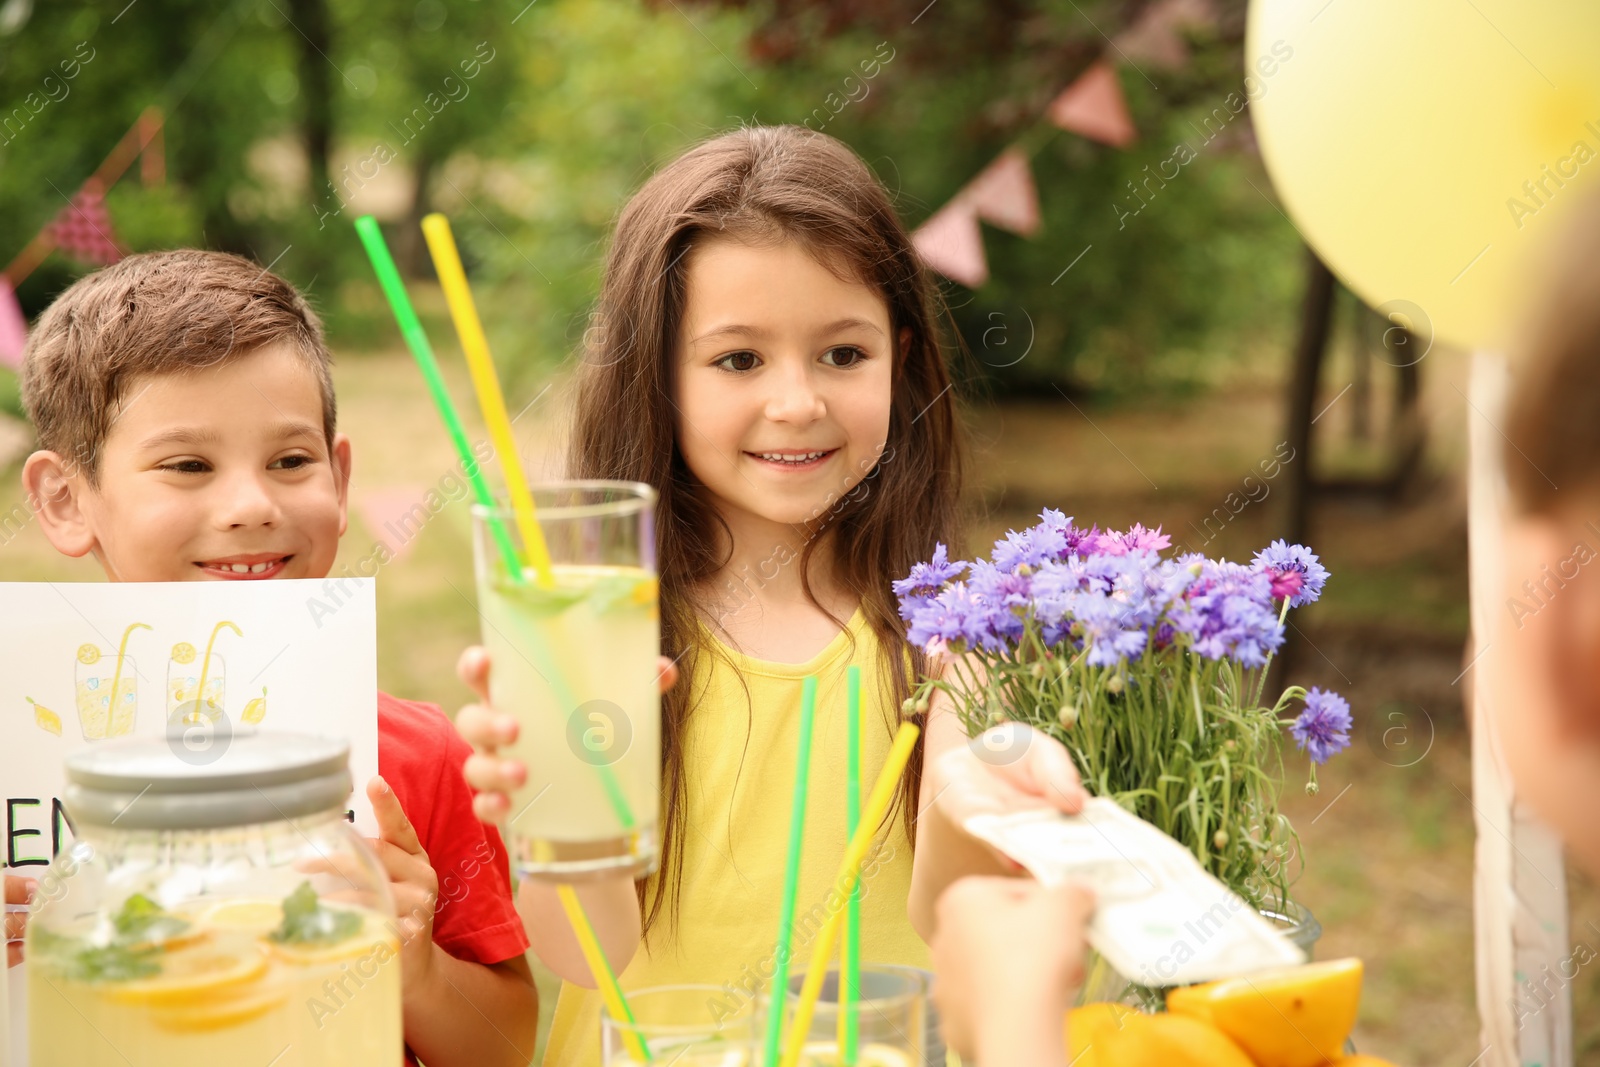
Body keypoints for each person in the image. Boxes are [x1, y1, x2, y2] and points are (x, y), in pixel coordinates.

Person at [454, 123, 1091, 1065]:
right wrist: (559, 808)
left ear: (901, 357)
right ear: (656, 376)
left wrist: (974, 793)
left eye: (843, 354)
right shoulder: (606, 632)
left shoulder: (951, 637)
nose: (797, 402)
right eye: (739, 360)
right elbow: (588, 955)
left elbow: (949, 914)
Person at [15, 250, 538, 1067]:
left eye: (291, 461)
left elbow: (506, 1047)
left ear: (339, 473)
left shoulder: (414, 762)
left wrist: (415, 966)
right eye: (188, 465)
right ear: (64, 498)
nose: (252, 505)